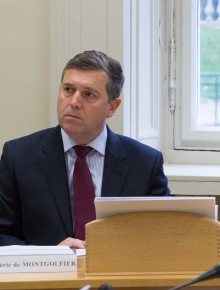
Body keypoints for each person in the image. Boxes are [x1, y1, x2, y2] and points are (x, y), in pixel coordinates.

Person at [0, 50, 170, 248]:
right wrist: (51, 257)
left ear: (112, 107)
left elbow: (161, 239)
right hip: (47, 277)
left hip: (117, 276)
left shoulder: (145, 163)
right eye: (68, 90)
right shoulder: (18, 157)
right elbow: (3, 236)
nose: (73, 102)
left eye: (88, 95)